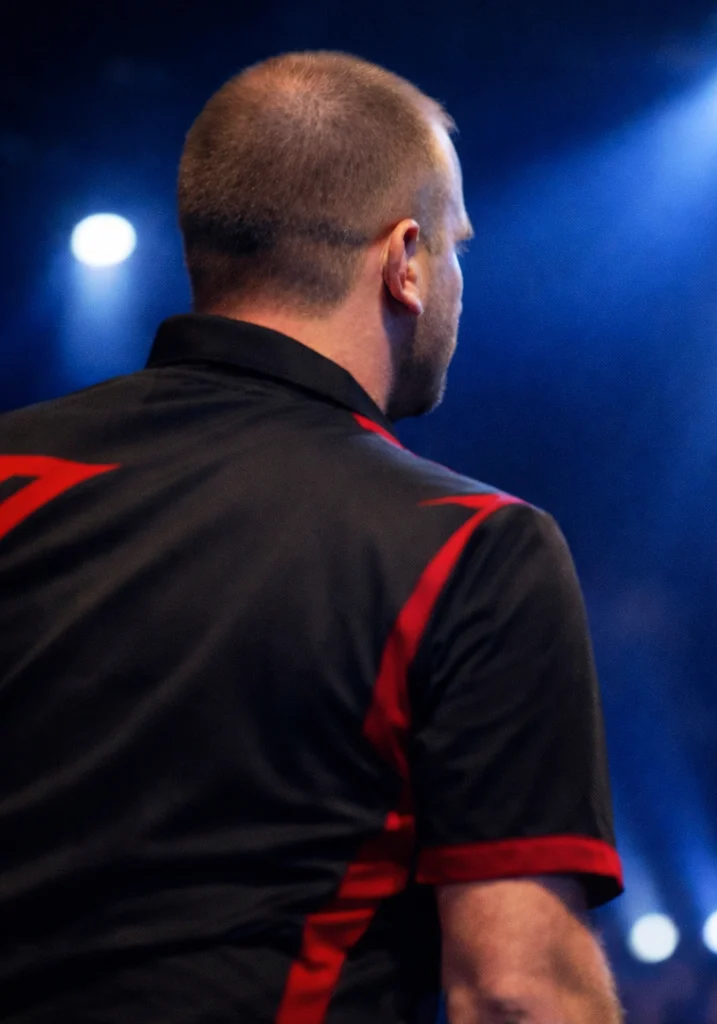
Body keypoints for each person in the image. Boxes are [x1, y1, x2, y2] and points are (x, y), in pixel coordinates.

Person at [0, 52, 624, 1024]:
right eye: (457, 247)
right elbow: (517, 990)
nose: (459, 280)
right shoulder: (472, 550)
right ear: (405, 260)